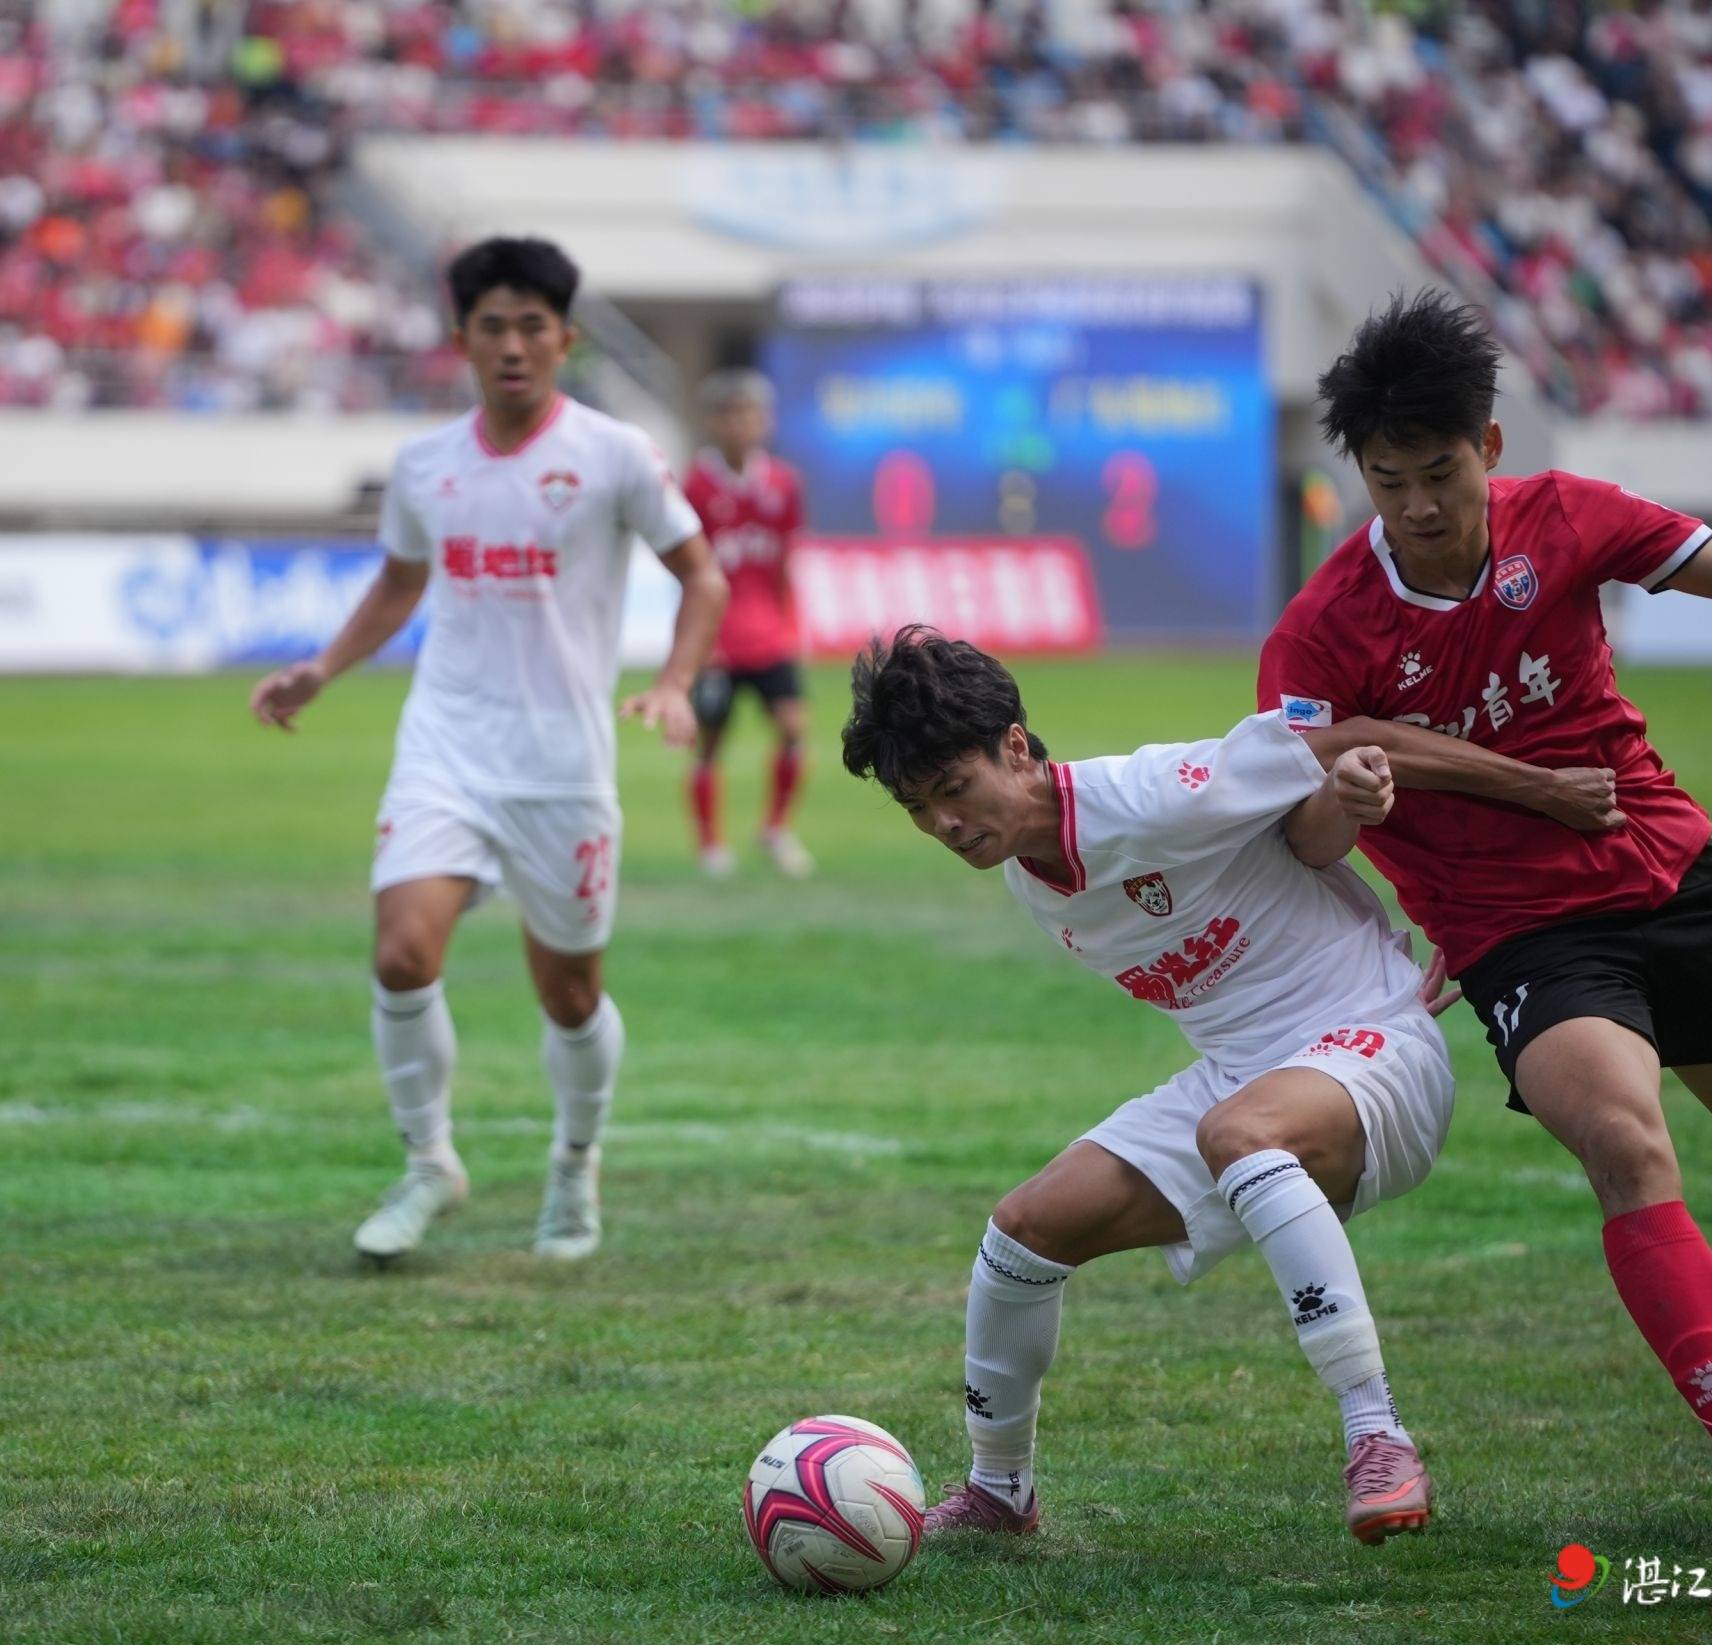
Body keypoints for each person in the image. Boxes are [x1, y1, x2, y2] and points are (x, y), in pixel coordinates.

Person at [1259, 291, 1712, 1557]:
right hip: (1521, 938)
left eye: (1440, 473)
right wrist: (1354, 802)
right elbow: (1300, 828)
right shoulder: (1320, 631)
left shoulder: (1565, 519)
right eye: (1387, 480)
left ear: (1490, 449)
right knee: (1627, 1140)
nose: (1417, 507)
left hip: (1671, 875)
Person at [841, 626, 1625, 1544]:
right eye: (917, 807)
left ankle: (1379, 1434)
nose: (943, 823)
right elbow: (1306, 845)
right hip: (1242, 1082)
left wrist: (1543, 795)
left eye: (953, 789)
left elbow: (1357, 740)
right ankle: (997, 1492)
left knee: (1238, 1132)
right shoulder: (1025, 865)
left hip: (1373, 1044)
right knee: (1021, 1237)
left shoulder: (1146, 795)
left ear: (1016, 746)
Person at [248, 237, 727, 1263]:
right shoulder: (427, 465)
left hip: (562, 767)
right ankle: (430, 1163)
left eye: (532, 326)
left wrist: (677, 683)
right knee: (401, 951)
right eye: (492, 327)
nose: (513, 346)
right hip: (447, 747)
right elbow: (398, 584)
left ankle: (573, 1164)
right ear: (461, 340)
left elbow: (703, 575)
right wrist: (321, 669)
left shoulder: (614, 454)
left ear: (567, 338)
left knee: (570, 995)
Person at [681, 370, 813, 878]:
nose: (741, 424)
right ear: (713, 422)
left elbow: (783, 561)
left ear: (766, 421)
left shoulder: (783, 483)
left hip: (767, 637)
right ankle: (711, 844)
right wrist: (697, 637)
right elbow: (686, 568)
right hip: (716, 641)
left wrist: (789, 623)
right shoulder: (694, 485)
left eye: (750, 414)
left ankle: (775, 829)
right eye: (731, 414)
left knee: (793, 727)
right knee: (710, 743)